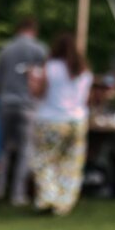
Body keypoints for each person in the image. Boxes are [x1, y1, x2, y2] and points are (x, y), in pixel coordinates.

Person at [30, 32, 93, 216]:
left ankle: (48, 197)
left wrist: (32, 79)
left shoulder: (50, 67)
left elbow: (38, 93)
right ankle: (64, 203)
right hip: (77, 120)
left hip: (51, 119)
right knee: (71, 163)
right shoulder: (84, 70)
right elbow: (85, 99)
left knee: (45, 160)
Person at [0, 17, 46, 206]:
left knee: (3, 148)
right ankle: (17, 194)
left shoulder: (5, 49)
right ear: (34, 30)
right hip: (27, 105)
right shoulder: (39, 49)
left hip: (5, 103)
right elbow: (43, 80)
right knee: (25, 149)